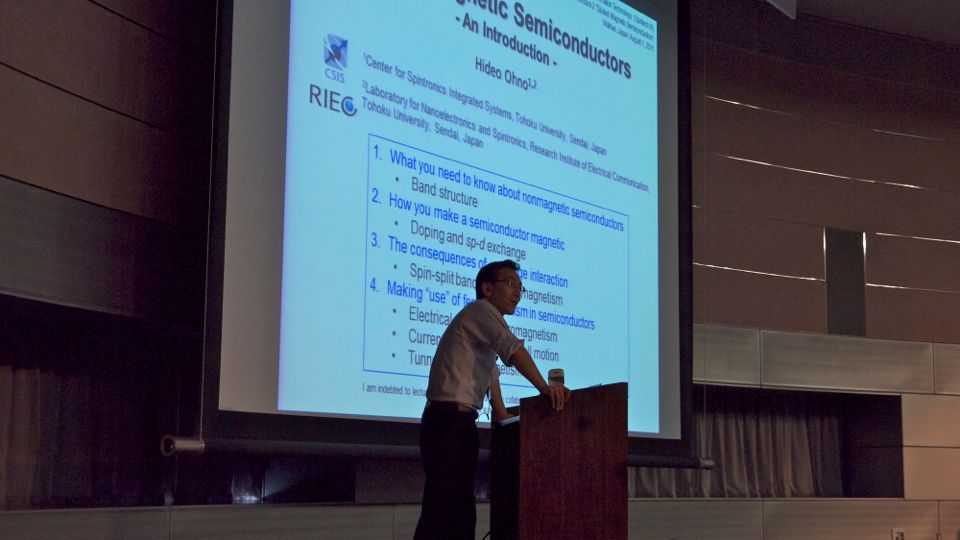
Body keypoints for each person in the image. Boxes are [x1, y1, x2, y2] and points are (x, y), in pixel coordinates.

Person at [413, 259, 570, 540]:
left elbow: (490, 374)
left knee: (459, 512)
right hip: (447, 423)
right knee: (443, 511)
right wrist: (544, 388)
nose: (518, 292)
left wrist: (500, 413)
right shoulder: (481, 310)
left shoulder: (482, 326)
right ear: (487, 288)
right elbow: (513, 349)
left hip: (458, 425)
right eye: (511, 283)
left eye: (521, 286)